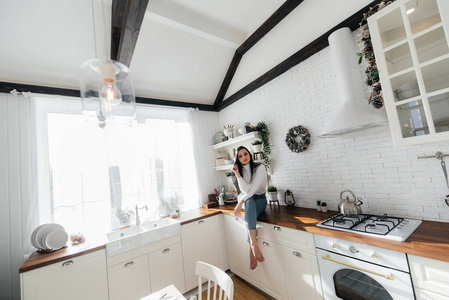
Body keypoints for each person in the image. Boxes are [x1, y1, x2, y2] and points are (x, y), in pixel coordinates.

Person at [232, 146, 267, 270]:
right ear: (237, 159)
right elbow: (246, 191)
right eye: (240, 156)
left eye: (245, 154)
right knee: (249, 202)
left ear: (249, 154)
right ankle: (253, 243)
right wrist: (237, 174)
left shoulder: (260, 167)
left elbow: (252, 190)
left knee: (249, 204)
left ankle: (251, 247)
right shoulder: (239, 171)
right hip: (246, 197)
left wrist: (240, 203)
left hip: (260, 198)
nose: (243, 157)